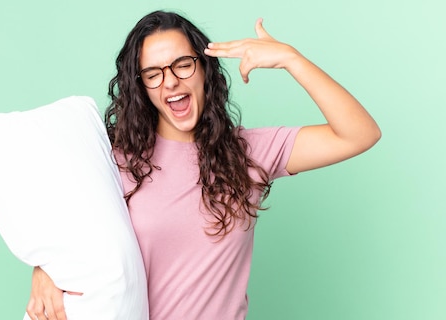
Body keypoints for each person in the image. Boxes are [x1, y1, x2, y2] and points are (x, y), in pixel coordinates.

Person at [26, 10, 381, 320]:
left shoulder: (250, 152)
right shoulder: (116, 158)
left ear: (204, 67)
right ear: (142, 88)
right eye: (152, 73)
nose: (171, 81)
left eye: (182, 64)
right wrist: (43, 269)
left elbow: (359, 134)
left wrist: (292, 59)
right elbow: (66, 230)